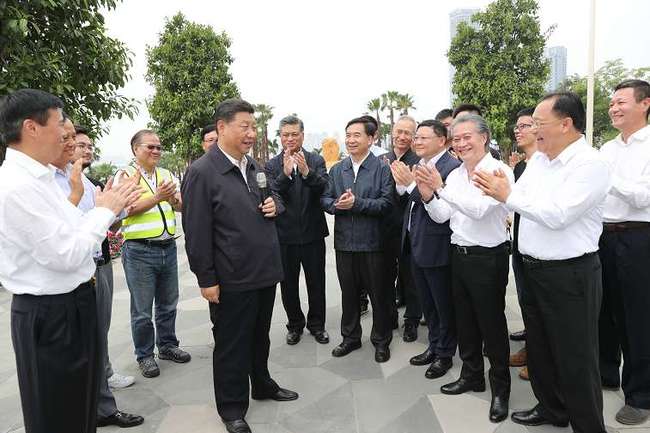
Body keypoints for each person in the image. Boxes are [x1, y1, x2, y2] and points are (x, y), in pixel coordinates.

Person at [0, 88, 140, 433]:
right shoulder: (16, 185)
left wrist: (104, 207)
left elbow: (71, 227)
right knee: (57, 416)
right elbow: (65, 253)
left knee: (81, 408)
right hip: (48, 314)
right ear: (31, 128)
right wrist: (105, 209)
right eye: (60, 120)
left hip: (74, 303)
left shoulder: (43, 177)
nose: (67, 131)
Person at [475, 91, 610, 432]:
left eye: (539, 124)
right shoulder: (538, 161)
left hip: (570, 275)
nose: (534, 130)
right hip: (533, 269)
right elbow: (527, 202)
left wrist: (509, 194)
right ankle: (552, 409)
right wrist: (512, 193)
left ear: (567, 124)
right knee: (541, 349)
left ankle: (588, 426)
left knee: (576, 359)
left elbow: (558, 215)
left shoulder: (590, 164)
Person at [182, 99, 298, 433]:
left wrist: (275, 205)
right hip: (231, 277)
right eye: (243, 126)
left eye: (253, 126)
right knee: (232, 344)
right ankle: (232, 407)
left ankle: (262, 384)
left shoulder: (255, 166)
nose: (251, 133)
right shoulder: (202, 172)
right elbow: (197, 231)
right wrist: (207, 279)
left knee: (260, 336)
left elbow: (274, 198)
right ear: (221, 127)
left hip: (264, 271)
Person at [419, 113, 513, 423]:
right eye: (456, 139)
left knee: (491, 325)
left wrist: (441, 188)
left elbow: (477, 209)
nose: (460, 143)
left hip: (488, 257)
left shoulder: (499, 171)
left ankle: (501, 389)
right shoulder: (458, 175)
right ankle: (472, 375)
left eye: (466, 137)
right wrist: (429, 195)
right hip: (458, 254)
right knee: (466, 323)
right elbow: (442, 216)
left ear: (484, 138)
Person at [68, 125, 143, 427]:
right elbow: (74, 226)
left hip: (100, 265)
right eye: (79, 145)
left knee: (100, 331)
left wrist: (120, 204)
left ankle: (100, 392)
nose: (86, 150)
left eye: (89, 145)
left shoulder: (89, 182)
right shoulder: (66, 184)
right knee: (90, 337)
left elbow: (109, 220)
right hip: (81, 271)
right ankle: (102, 406)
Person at [116, 129, 190, 378]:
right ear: (135, 150)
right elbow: (124, 210)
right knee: (142, 310)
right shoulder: (125, 176)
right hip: (139, 251)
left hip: (167, 248)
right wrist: (159, 197)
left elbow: (180, 205)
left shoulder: (166, 174)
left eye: (159, 147)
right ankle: (145, 355)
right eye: (150, 147)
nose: (156, 151)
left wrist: (171, 200)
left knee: (169, 303)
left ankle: (168, 345)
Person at [321, 115, 394, 363]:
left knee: (379, 294)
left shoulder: (382, 168)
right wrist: (336, 206)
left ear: (371, 139)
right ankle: (350, 338)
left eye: (357, 135)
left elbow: (386, 204)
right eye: (348, 135)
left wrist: (357, 203)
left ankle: (381, 341)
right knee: (349, 294)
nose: (351, 140)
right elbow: (325, 199)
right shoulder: (337, 169)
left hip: (373, 244)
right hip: (344, 244)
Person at [598, 79, 650, 425]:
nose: (614, 108)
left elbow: (643, 198)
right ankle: (606, 373)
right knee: (604, 310)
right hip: (604, 235)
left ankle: (640, 395)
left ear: (645, 104)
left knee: (637, 317)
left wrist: (608, 178)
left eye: (621, 102)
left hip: (639, 237)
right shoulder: (606, 148)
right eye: (612, 103)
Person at [392, 119, 460, 379]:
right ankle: (433, 346)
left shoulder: (451, 168)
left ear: (442, 140)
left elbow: (439, 208)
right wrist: (402, 182)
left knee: (442, 304)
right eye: (416, 138)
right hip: (416, 242)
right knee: (427, 303)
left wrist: (410, 185)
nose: (416, 141)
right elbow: (409, 200)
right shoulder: (420, 164)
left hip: (437, 245)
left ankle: (445, 354)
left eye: (422, 138)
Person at [265, 115, 330, 346]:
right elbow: (273, 192)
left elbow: (324, 186)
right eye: (285, 135)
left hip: (313, 234)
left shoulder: (316, 159)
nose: (290, 138)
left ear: (302, 134)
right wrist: (285, 173)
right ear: (280, 137)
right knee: (288, 285)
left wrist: (305, 172)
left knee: (317, 282)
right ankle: (294, 325)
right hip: (284, 236)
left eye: (294, 134)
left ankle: (317, 325)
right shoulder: (272, 165)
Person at [385, 115, 422, 342]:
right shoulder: (381, 160)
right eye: (398, 131)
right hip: (385, 229)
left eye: (408, 133)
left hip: (410, 230)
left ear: (414, 137)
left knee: (411, 277)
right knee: (385, 276)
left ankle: (412, 320)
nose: (402, 137)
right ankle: (389, 316)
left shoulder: (419, 161)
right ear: (392, 132)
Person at [508, 107, 537, 382]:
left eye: (525, 125)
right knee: (526, 300)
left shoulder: (545, 164)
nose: (519, 130)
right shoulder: (520, 166)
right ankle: (531, 350)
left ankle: (539, 359)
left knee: (540, 305)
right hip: (520, 240)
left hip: (541, 245)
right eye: (517, 126)